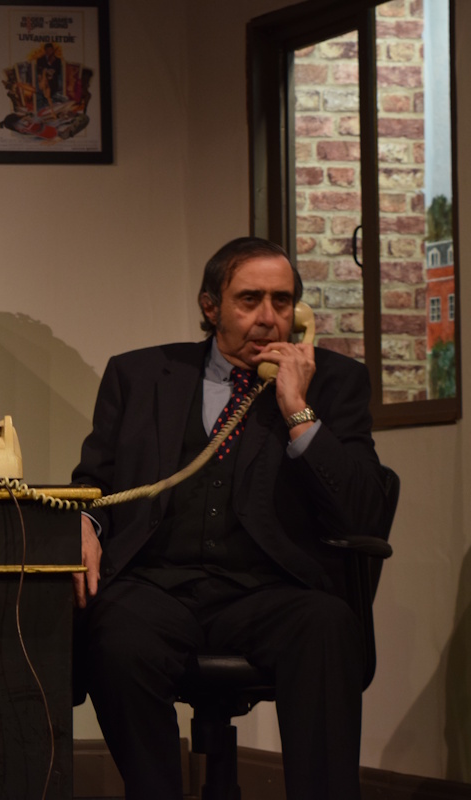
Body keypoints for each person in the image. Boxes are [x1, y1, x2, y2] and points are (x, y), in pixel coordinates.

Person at [71, 236, 394, 800]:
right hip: (158, 585)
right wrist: (82, 523)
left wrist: (298, 409)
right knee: (115, 636)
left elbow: (363, 509)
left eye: (282, 301)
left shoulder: (335, 381)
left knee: (327, 626)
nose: (269, 318)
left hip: (273, 590)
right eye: (249, 300)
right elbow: (92, 484)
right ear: (210, 306)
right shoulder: (138, 374)